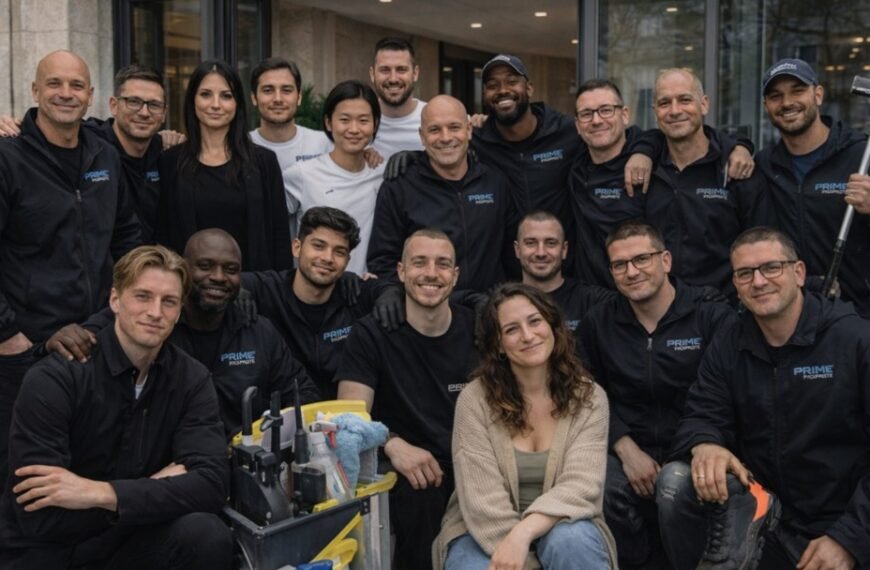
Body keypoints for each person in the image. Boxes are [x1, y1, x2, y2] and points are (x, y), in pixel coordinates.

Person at [0, 245, 231, 569]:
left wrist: (101, 493)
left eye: (169, 302)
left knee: (207, 535)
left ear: (179, 312)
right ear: (114, 300)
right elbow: (39, 514)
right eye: (142, 296)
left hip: (126, 544)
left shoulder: (191, 378)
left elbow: (211, 484)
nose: (155, 312)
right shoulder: (55, 378)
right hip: (46, 555)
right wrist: (153, 487)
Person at [657, 227, 870, 570]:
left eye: (771, 268)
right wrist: (705, 442)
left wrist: (850, 539)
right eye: (745, 273)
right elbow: (701, 411)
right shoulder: (730, 341)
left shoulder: (855, 339)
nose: (758, 281)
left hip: (842, 524)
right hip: (764, 521)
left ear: (798, 273)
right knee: (676, 481)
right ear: (737, 286)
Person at [0, 50, 141, 489]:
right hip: (27, 347)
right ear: (35, 90)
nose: (66, 94)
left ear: (91, 96)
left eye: (76, 86)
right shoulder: (8, 158)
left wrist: (120, 313)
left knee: (88, 468)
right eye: (55, 84)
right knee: (23, 476)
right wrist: (8, 335)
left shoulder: (104, 156)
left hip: (95, 340)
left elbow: (126, 237)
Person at [45, 229, 322, 438]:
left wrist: (265, 435)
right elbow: (86, 335)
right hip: (170, 468)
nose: (218, 277)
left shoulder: (259, 331)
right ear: (184, 272)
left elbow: (303, 394)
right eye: (205, 266)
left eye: (231, 270)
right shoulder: (156, 320)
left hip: (248, 465)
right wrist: (58, 340)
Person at [578, 220, 735, 569]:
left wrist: (696, 449)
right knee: (596, 482)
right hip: (627, 447)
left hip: (696, 447)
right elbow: (585, 392)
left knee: (674, 486)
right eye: (620, 265)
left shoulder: (710, 315)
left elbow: (724, 394)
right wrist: (625, 447)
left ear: (665, 260)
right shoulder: (598, 322)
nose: (631, 272)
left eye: (641, 259)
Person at [433, 282, 616, 569]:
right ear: (498, 345)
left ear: (553, 327)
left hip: (562, 524)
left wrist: (523, 534)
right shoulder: (474, 400)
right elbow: (482, 502)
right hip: (481, 529)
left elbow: (582, 486)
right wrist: (525, 558)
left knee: (571, 542)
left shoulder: (589, 397)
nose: (528, 336)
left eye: (535, 321)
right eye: (511, 329)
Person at [337, 229, 478, 570]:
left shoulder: (477, 330)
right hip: (410, 472)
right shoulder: (370, 334)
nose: (431, 273)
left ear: (455, 276)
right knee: (421, 495)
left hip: (474, 464)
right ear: (400, 272)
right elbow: (349, 419)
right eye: (419, 263)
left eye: (442, 264)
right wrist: (392, 443)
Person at [756, 58, 870, 317]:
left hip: (859, 315)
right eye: (776, 96)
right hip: (794, 316)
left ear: (817, 95)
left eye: (797, 91)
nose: (786, 103)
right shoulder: (764, 165)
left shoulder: (863, 156)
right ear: (766, 106)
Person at [242, 207, 394, 398]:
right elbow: (229, 280)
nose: (327, 258)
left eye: (339, 252)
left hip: (345, 419)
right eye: (318, 246)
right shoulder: (267, 289)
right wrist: (237, 292)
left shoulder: (354, 293)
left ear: (348, 260)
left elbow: (387, 290)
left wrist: (391, 293)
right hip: (287, 420)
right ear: (297, 247)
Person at [368, 94, 515, 292]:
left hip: (487, 311)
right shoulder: (399, 187)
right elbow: (382, 260)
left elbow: (511, 255)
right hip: (427, 314)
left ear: (469, 130)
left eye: (454, 127)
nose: (445, 138)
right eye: (435, 130)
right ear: (422, 136)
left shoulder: (495, 184)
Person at [644, 68, 770, 297]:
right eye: (664, 103)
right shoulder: (645, 171)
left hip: (725, 310)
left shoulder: (736, 171)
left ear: (704, 104)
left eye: (684, 100)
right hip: (659, 314)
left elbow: (761, 247)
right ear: (655, 112)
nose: (674, 110)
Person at [158, 59, 291, 271]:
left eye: (226, 96)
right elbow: (162, 237)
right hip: (188, 293)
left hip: (252, 291)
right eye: (205, 94)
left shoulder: (264, 162)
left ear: (238, 103)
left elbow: (280, 237)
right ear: (192, 100)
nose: (216, 105)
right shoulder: (170, 162)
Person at [283, 80, 384, 275]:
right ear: (329, 123)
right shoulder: (302, 174)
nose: (354, 129)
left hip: (364, 291)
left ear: (375, 124)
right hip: (314, 290)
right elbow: (273, 230)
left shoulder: (383, 174)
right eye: (344, 120)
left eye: (363, 120)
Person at [515, 211, 612, 333]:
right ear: (517, 249)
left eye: (551, 243)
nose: (541, 253)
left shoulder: (594, 301)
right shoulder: (500, 305)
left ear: (564, 249)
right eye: (531, 243)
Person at [248, 57, 331, 172]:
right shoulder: (240, 147)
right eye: (268, 90)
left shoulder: (325, 144)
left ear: (299, 97)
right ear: (254, 98)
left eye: (286, 90)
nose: (278, 99)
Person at [369, 37, 426, 160]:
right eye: (385, 70)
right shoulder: (358, 123)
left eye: (401, 70)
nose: (393, 79)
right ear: (372, 74)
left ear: (415, 73)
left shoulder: (435, 117)